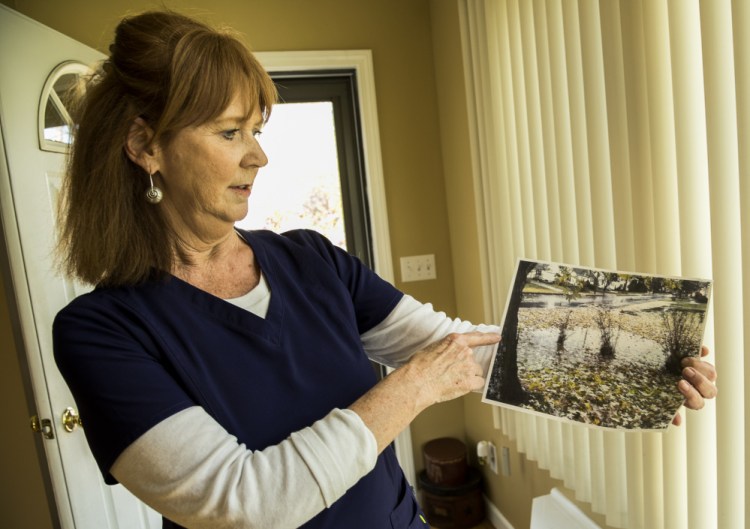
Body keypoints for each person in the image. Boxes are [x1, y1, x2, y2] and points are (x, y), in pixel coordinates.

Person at [52, 9, 717, 529]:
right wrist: (412, 388)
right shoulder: (102, 331)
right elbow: (243, 504)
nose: (258, 156)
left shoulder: (309, 258)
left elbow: (452, 346)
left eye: (257, 130)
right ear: (146, 145)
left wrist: (638, 355)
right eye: (230, 133)